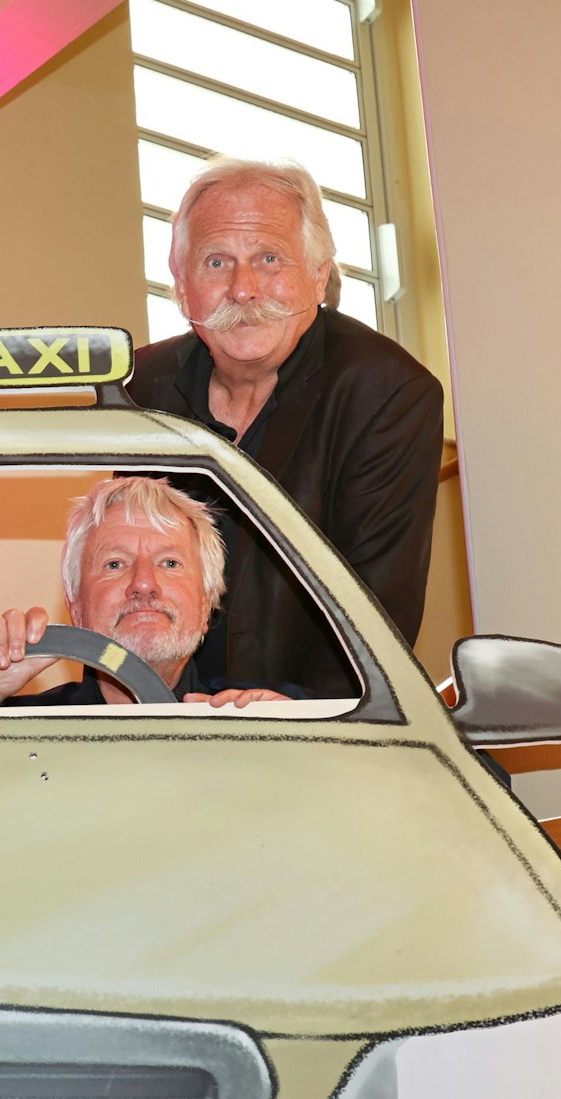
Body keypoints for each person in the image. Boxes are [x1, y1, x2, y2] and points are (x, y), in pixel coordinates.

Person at [129, 156, 443, 698]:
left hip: (315, 716)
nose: (244, 289)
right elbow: (130, 571)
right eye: (216, 263)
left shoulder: (387, 392)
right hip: (167, 705)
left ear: (318, 276)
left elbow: (378, 606)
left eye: (269, 258)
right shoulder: (141, 388)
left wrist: (301, 712)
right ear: (182, 288)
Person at [0, 475, 294, 707]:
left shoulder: (271, 713)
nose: (143, 583)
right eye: (115, 564)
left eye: (170, 563)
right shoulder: (11, 734)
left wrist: (301, 751)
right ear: (76, 606)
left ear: (207, 606)